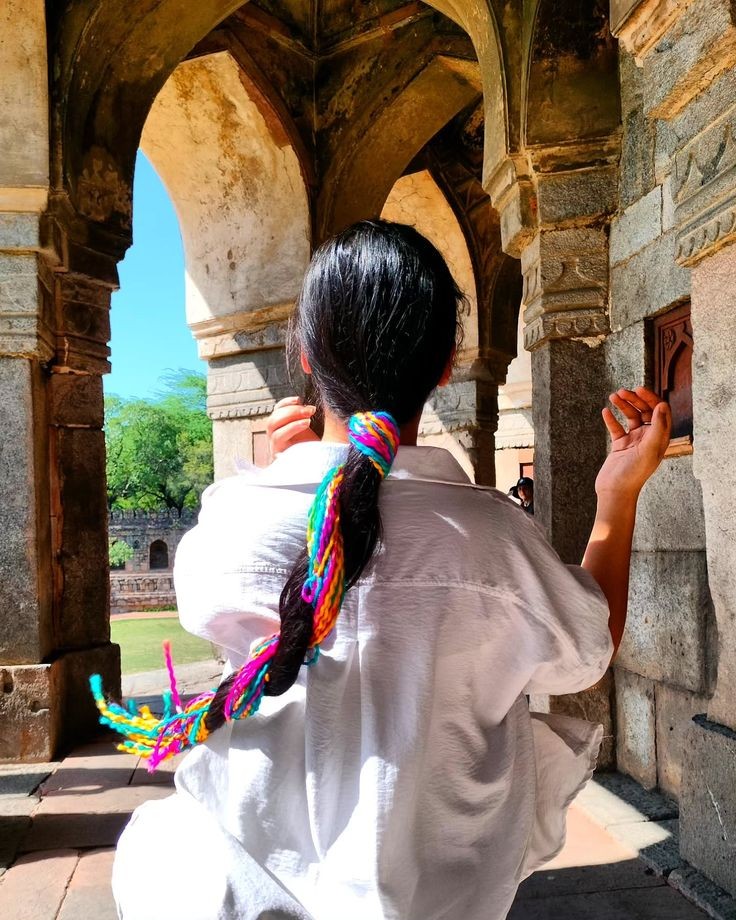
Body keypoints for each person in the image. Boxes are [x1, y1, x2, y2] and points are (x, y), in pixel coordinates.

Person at [108, 220, 671, 920]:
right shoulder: (496, 536)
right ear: (445, 365)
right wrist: (616, 495)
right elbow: (587, 649)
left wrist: (295, 471)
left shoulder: (231, 521)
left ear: (308, 358)